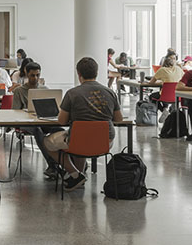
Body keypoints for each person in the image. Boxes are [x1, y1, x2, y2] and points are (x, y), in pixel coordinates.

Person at [41, 57, 123, 192]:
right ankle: (79, 176)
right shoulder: (110, 92)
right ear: (97, 73)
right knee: (82, 143)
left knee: (47, 141)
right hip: (105, 141)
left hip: (78, 141)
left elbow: (61, 121)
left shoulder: (72, 94)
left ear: (78, 74)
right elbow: (118, 119)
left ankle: (75, 174)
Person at [11, 61, 63, 178]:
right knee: (37, 130)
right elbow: (14, 111)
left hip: (43, 119)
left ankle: (70, 161)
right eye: (32, 75)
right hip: (25, 122)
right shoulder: (19, 91)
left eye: (37, 75)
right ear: (26, 74)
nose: (35, 78)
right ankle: (52, 165)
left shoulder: (45, 89)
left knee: (59, 129)